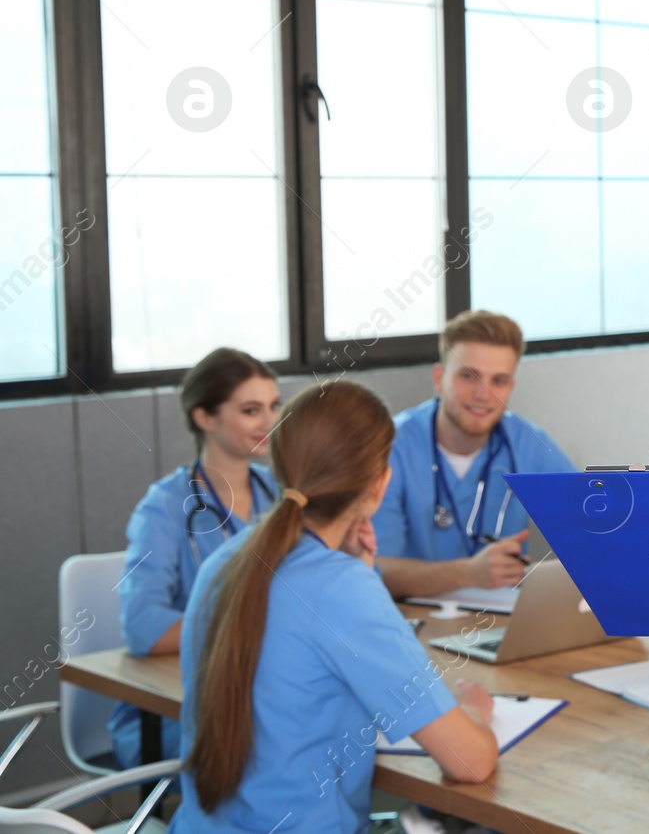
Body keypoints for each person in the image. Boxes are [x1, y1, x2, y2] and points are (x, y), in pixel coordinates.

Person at [170, 380, 497, 833]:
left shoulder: (225, 562)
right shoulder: (342, 588)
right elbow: (470, 762)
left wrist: (360, 575)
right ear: (379, 484)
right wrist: (475, 711)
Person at [112, 348, 280, 769]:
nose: (269, 421)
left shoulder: (280, 495)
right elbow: (142, 629)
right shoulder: (165, 506)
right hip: (175, 706)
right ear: (205, 417)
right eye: (250, 410)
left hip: (261, 683)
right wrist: (252, 621)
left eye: (274, 406)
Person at [374, 310, 576, 598]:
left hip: (500, 623)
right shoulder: (392, 445)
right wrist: (468, 573)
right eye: (469, 376)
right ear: (439, 378)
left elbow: (594, 528)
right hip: (413, 620)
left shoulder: (529, 443)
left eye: (499, 381)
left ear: (511, 387)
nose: (484, 395)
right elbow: (372, 571)